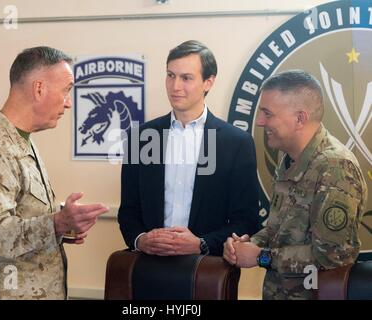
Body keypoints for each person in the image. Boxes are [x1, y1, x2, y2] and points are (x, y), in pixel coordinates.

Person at [0, 46, 109, 300]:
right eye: (66, 90)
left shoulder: (22, 141)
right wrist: (57, 222)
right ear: (39, 89)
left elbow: (21, 216)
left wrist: (59, 229)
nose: (69, 102)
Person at [223, 70, 368, 299]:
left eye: (267, 114)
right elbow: (282, 230)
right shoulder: (290, 160)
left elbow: (332, 255)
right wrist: (248, 243)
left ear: (300, 118)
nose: (260, 122)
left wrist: (260, 256)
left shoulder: (335, 167)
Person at [118, 40, 260, 257]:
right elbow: (128, 211)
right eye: (170, 75)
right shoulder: (142, 138)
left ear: (208, 82)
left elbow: (247, 220)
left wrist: (201, 244)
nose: (175, 86)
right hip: (149, 269)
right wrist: (141, 240)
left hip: (207, 274)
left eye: (186, 78)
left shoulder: (236, 143)